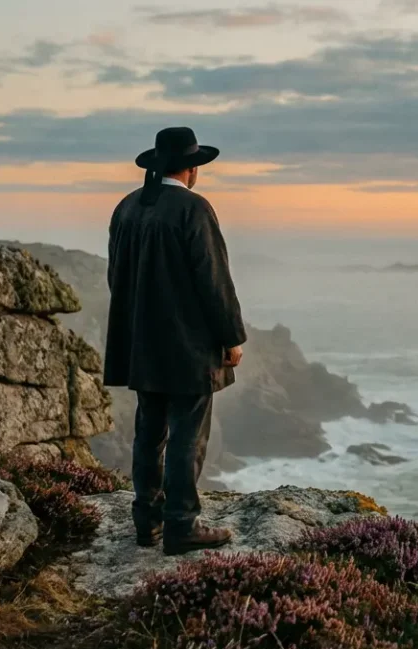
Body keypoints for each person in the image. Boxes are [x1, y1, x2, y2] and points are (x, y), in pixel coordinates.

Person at [103, 127, 247, 556]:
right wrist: (231, 337)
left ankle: (146, 522)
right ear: (192, 168)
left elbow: (116, 277)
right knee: (188, 435)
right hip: (188, 347)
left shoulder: (127, 208)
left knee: (149, 432)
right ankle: (181, 525)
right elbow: (213, 279)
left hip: (141, 344)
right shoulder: (194, 209)